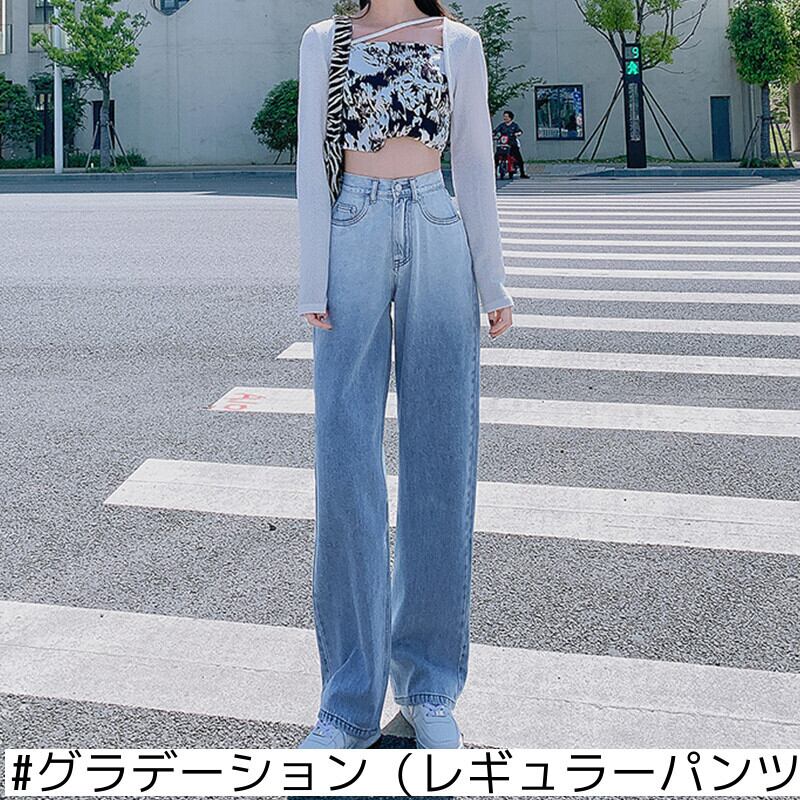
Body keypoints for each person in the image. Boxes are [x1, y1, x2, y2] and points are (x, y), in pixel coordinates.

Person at [295, 0, 514, 750]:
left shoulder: (460, 42)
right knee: (345, 462)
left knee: (441, 458)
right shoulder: (325, 41)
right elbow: (310, 159)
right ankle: (347, 704)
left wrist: (493, 281)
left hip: (436, 222)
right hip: (352, 227)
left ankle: (428, 687)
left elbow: (475, 163)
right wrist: (312, 275)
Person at [493, 109, 530, 178]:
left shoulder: (514, 125)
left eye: (506, 116)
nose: (505, 118)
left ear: (510, 117)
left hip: (512, 144)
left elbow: (520, 131)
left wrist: (517, 133)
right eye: (504, 116)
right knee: (496, 157)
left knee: (519, 159)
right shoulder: (502, 125)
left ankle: (522, 173)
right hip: (503, 144)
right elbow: (496, 131)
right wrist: (493, 134)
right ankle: (494, 173)